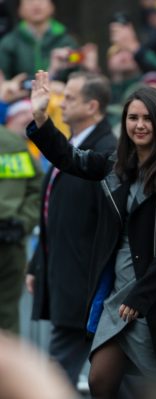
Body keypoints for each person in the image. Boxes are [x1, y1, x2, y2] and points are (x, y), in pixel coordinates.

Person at [27, 71, 156, 399]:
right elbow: (68, 158)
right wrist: (41, 116)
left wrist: (139, 297)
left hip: (155, 297)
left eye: (148, 118)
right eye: (133, 118)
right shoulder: (115, 166)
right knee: (100, 380)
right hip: (115, 292)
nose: (140, 125)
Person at [24, 71, 117, 388]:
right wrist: (38, 263)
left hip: (85, 287)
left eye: (71, 98)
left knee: (60, 375)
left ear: (93, 106)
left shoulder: (106, 149)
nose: (62, 103)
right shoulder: (72, 144)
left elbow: (104, 224)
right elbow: (54, 213)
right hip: (65, 279)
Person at [0, 125, 41, 334]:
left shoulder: (13, 144)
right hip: (10, 240)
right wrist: (23, 222)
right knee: (6, 318)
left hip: (10, 242)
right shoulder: (13, 143)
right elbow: (36, 189)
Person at [0, 0, 77, 79]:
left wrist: (87, 65)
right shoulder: (8, 44)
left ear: (52, 6)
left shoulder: (66, 42)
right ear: (19, 9)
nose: (36, 4)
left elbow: (77, 73)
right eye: (30, 1)